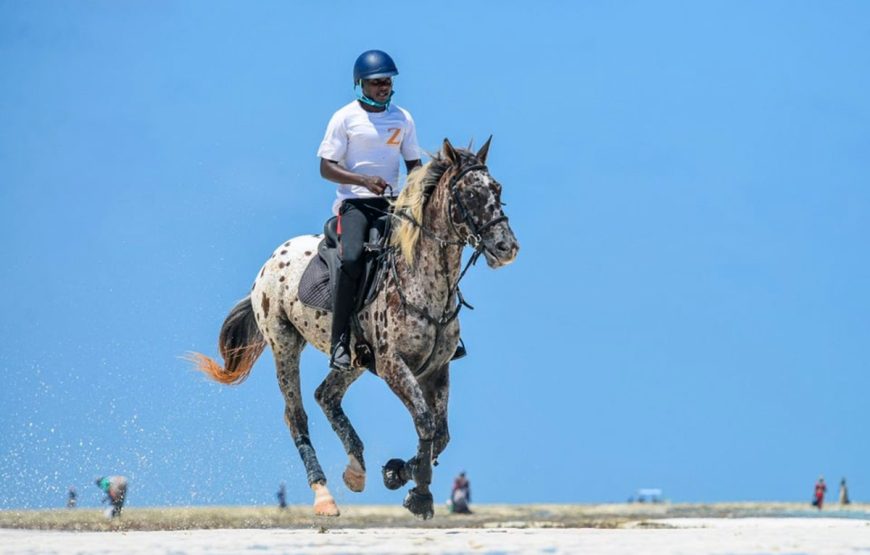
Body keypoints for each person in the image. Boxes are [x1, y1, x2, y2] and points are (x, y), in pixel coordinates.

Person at [318, 49, 466, 370]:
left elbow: (414, 165)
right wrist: (362, 180)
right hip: (355, 204)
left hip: (392, 205)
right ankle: (340, 340)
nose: (383, 86)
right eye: (376, 82)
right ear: (361, 85)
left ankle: (447, 330)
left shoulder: (402, 118)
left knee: (433, 249)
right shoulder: (344, 118)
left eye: (386, 81)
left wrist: (425, 194)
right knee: (352, 260)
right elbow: (326, 168)